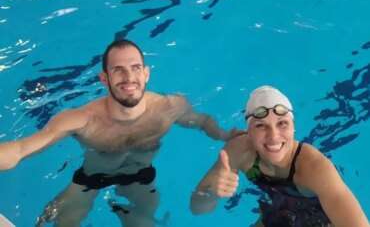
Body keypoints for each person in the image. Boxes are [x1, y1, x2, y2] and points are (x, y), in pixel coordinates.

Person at [0, 39, 235, 227]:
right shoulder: (81, 119)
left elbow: (202, 121)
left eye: (135, 68)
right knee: (66, 223)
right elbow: (21, 149)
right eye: (118, 70)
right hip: (90, 180)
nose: (129, 77)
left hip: (142, 178)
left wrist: (225, 135)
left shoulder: (170, 108)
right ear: (105, 78)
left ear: (146, 73)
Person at [190, 86, 369, 227]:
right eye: (261, 126)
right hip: (277, 211)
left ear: (293, 128)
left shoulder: (314, 168)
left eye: (282, 123)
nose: (273, 136)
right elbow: (197, 209)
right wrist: (211, 192)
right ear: (248, 131)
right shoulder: (238, 150)